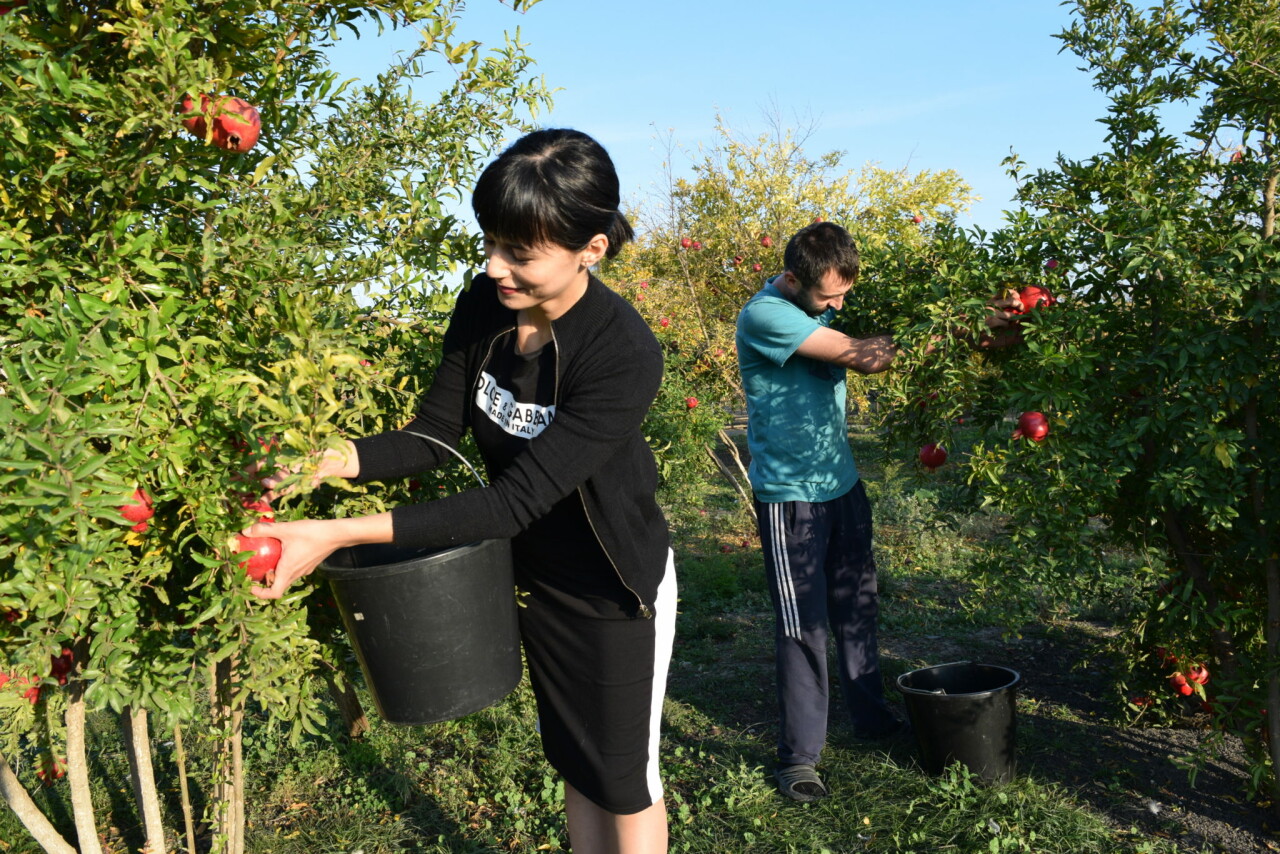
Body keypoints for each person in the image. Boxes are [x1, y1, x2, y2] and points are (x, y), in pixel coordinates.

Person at [244, 128, 676, 853]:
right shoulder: (485, 306)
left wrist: (334, 535)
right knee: (577, 762)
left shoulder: (622, 352)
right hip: (536, 580)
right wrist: (325, 460)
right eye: (489, 242)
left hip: (612, 591)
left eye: (519, 253)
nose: (495, 267)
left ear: (590, 250)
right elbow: (435, 436)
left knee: (626, 781)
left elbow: (512, 501)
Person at [734, 221, 1020, 802]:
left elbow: (890, 329)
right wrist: (955, 326)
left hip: (841, 485)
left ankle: (870, 716)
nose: (838, 306)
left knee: (857, 606)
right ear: (793, 279)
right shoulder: (765, 315)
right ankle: (799, 759)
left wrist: (982, 317)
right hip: (792, 498)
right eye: (829, 298)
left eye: (844, 295)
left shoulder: (813, 296)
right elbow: (864, 356)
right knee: (804, 627)